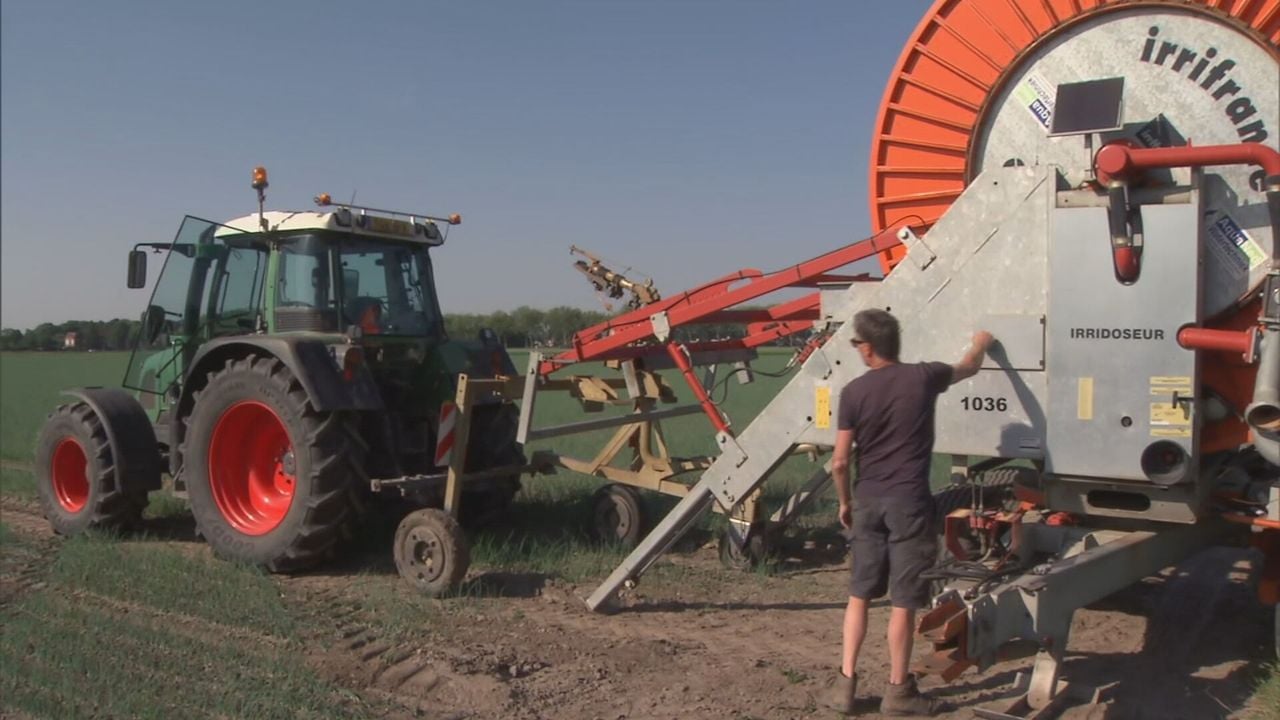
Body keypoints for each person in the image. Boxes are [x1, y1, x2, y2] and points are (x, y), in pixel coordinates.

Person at [824, 308, 994, 716]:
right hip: (910, 504)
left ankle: (843, 688)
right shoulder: (924, 377)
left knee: (859, 595)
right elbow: (969, 367)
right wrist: (983, 341)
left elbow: (840, 462)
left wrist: (845, 502)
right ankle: (898, 692)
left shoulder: (853, 392)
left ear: (867, 348)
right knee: (903, 601)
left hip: (867, 502)